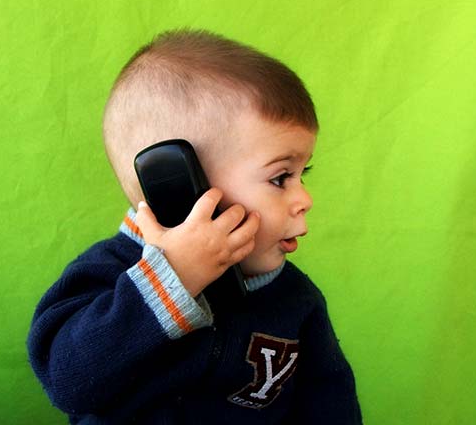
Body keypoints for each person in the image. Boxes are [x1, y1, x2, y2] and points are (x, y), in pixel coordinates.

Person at [27, 29, 362, 424]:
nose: (304, 199)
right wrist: (172, 278)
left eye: (301, 173)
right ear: (179, 185)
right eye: (280, 178)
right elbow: (68, 382)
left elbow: (329, 403)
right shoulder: (107, 274)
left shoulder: (296, 300)